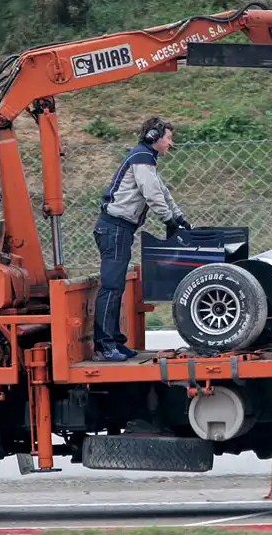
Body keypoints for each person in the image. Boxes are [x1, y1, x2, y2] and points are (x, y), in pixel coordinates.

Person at [93, 117, 192, 362]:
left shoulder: (147, 159)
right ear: (154, 136)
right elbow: (151, 193)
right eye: (168, 137)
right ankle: (105, 345)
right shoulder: (141, 158)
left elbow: (161, 191)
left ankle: (114, 341)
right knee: (112, 286)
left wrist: (179, 218)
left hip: (119, 230)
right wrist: (168, 221)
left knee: (116, 287)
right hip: (114, 229)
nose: (171, 142)